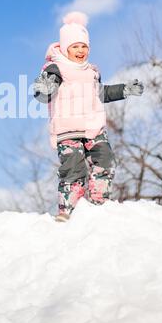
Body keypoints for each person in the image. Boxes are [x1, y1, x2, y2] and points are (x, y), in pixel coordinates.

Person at [33, 11, 144, 222]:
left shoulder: (91, 71)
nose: (80, 51)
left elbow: (100, 93)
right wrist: (43, 88)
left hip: (93, 127)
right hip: (68, 129)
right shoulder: (56, 67)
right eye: (75, 46)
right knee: (74, 169)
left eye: (84, 46)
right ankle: (69, 210)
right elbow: (44, 92)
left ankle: (97, 204)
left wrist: (125, 90)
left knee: (105, 160)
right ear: (66, 48)